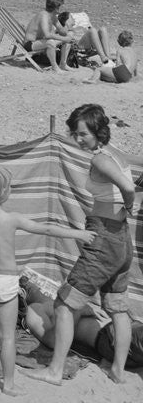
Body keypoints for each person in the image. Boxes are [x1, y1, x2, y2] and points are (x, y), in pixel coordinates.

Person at [0, 164, 93, 395]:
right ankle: (8, 384)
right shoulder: (11, 218)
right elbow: (45, 229)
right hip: (6, 282)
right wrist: (78, 234)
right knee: (7, 337)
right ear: (5, 192)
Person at [27, 104, 143, 386]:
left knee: (66, 304)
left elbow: (128, 190)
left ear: (97, 132)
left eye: (82, 134)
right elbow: (129, 184)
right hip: (120, 241)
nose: (77, 139)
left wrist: (127, 205)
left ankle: (54, 371)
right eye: (74, 134)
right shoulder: (117, 154)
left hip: (103, 240)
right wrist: (123, 212)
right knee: (116, 306)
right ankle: (117, 370)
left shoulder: (101, 159)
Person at [22, 0, 79, 71]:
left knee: (70, 35)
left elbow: (63, 32)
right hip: (30, 44)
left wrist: (68, 27)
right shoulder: (43, 16)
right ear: (56, 7)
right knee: (51, 42)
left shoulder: (53, 16)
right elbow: (47, 35)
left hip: (41, 42)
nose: (61, 8)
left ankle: (63, 64)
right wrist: (64, 38)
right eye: (60, 6)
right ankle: (55, 67)